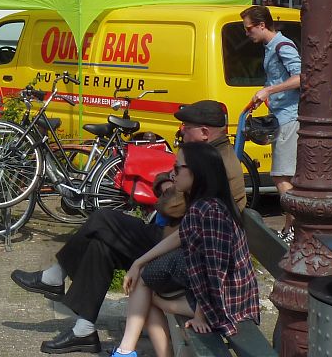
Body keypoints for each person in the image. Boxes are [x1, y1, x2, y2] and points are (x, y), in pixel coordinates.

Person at [12, 100, 246, 355]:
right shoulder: (201, 156)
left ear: (204, 132)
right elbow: (161, 180)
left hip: (177, 246)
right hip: (173, 239)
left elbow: (171, 208)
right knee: (101, 245)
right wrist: (167, 185)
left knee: (103, 219)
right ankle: (84, 329)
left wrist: (167, 188)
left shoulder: (213, 162)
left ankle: (56, 277)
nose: (181, 131)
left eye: (186, 127)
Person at [110, 143, 259, 357]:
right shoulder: (203, 204)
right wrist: (139, 261)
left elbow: (215, 270)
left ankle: (128, 352)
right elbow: (183, 235)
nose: (172, 173)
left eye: (178, 168)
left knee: (145, 290)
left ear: (197, 171)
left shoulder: (210, 211)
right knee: (144, 284)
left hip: (227, 304)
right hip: (218, 295)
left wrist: (201, 315)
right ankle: (130, 351)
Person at [241, 4, 301, 241]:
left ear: (262, 25)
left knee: (280, 176)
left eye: (249, 29)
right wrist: (266, 94)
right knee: (286, 176)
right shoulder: (270, 47)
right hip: (283, 115)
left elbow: (300, 77)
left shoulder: (282, 46)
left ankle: (295, 229)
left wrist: (270, 90)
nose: (247, 34)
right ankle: (290, 229)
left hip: (289, 117)